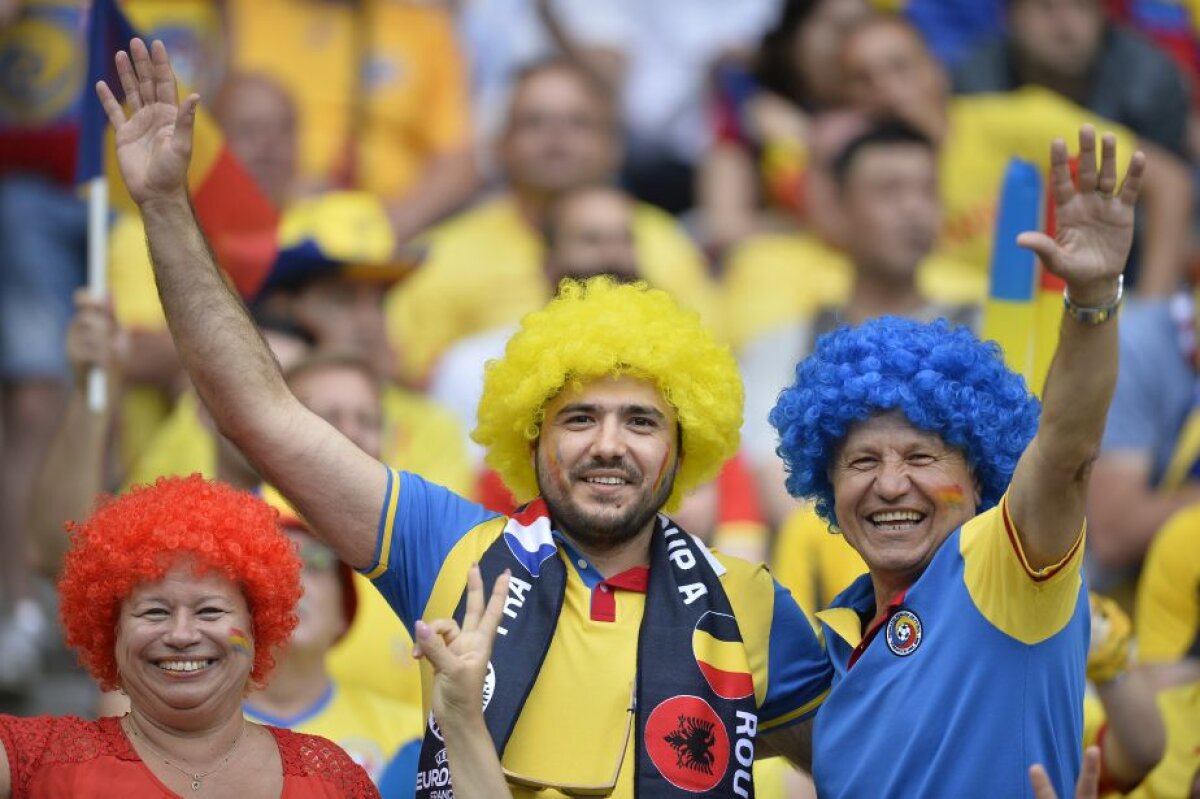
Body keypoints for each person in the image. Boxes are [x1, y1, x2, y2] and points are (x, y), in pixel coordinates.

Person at [98, 38, 833, 796]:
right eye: (579, 418)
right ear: (531, 435)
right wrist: (165, 205)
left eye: (642, 423)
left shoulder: (750, 603)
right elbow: (260, 412)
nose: (609, 445)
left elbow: (867, 761)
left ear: (684, 447)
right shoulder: (449, 550)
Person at [770, 125, 1142, 796]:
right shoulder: (837, 637)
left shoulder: (1004, 568)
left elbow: (1066, 450)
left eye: (921, 456)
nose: (890, 484)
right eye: (861, 462)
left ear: (979, 476)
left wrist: (1091, 300)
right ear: (826, 481)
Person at [0, 475, 378, 798]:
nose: (181, 634)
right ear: (112, 632)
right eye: (154, 612)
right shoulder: (39, 760)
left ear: (256, 627)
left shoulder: (331, 780)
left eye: (210, 611)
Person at [384, 58, 721, 386]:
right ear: (500, 145)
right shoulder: (444, 252)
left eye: (578, 122)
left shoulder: (662, 241)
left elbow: (708, 360)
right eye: (534, 122)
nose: (557, 137)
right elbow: (413, 377)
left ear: (613, 144)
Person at [839, 12, 1191, 297]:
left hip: (1075, 322)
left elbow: (1169, 183)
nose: (884, 89)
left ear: (937, 70)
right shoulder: (857, 178)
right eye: (863, 79)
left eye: (899, 67)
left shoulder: (1019, 121)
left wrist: (1151, 310)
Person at [738, 118, 978, 525]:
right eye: (889, 191)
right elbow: (775, 482)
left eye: (928, 191)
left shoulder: (983, 332)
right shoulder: (785, 347)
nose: (914, 209)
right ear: (837, 208)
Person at [953, 0, 1190, 158]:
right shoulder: (976, 85)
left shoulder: (1149, 80)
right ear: (1011, 16)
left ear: (1103, 15)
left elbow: (1170, 184)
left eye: (1080, 5)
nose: (1065, 24)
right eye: (1046, 6)